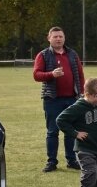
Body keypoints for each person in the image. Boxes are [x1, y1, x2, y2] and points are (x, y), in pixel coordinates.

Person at [33, 27, 85, 172]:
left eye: (60, 36)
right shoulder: (43, 55)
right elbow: (36, 75)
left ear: (64, 38)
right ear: (49, 38)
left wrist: (82, 93)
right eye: (55, 36)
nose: (58, 39)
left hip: (72, 99)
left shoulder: (72, 54)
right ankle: (52, 162)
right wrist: (51, 74)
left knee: (71, 131)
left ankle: (72, 160)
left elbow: (80, 75)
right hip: (52, 100)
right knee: (52, 131)